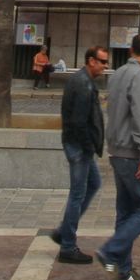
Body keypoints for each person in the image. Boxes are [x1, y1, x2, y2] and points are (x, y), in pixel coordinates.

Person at [97, 33, 140, 280]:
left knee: (125, 211)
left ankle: (123, 270)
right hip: (131, 152)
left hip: (116, 150)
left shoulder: (117, 74)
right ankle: (111, 251)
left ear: (131, 49)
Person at [50, 45, 109, 264]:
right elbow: (79, 122)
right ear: (91, 61)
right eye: (103, 62)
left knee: (93, 184)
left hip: (79, 145)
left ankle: (63, 231)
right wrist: (88, 146)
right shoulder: (83, 83)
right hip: (79, 147)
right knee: (77, 194)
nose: (105, 66)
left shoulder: (83, 80)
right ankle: (67, 246)